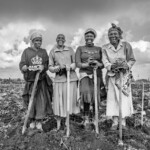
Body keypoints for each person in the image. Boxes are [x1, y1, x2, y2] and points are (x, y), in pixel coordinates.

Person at [102, 23, 136, 130]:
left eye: (115, 33)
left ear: (119, 34)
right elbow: (105, 61)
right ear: (108, 36)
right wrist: (112, 66)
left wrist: (126, 65)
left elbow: (131, 59)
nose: (113, 36)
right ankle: (115, 121)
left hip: (124, 77)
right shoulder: (105, 48)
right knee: (113, 99)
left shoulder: (126, 45)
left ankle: (123, 122)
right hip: (112, 76)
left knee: (124, 99)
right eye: (110, 34)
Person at [19, 32, 53, 130]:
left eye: (40, 40)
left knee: (40, 101)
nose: (39, 42)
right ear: (33, 41)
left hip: (41, 80)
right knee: (31, 101)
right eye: (37, 40)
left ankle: (39, 121)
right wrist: (24, 67)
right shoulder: (26, 51)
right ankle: (32, 120)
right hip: (31, 80)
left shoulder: (43, 52)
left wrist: (43, 67)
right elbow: (22, 64)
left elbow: (47, 64)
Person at [49, 34, 79, 130]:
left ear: (65, 40)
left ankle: (67, 122)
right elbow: (50, 67)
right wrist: (55, 68)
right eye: (59, 38)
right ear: (56, 40)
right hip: (59, 79)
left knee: (68, 100)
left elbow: (75, 62)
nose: (60, 40)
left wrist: (70, 67)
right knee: (58, 101)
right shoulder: (53, 51)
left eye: (62, 38)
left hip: (71, 78)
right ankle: (58, 122)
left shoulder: (70, 49)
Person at [75, 28, 104, 124]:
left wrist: (97, 63)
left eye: (91, 36)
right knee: (86, 94)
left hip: (97, 75)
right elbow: (78, 63)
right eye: (87, 36)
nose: (89, 37)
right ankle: (86, 117)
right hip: (84, 75)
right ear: (84, 37)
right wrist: (87, 64)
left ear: (94, 37)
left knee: (96, 95)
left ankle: (95, 117)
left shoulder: (99, 49)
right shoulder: (80, 49)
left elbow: (103, 64)